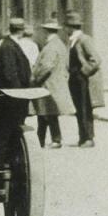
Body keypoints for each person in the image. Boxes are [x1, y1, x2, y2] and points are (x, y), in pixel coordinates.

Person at [31, 20, 75, 148]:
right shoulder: (60, 44)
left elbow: (46, 66)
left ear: (46, 31)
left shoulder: (50, 46)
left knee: (47, 113)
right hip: (55, 83)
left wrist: (36, 79)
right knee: (46, 114)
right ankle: (44, 140)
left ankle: (54, 140)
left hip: (48, 84)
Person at [66, 11, 105, 147]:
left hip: (82, 80)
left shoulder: (84, 39)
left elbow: (96, 60)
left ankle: (88, 138)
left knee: (85, 108)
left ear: (71, 27)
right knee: (79, 109)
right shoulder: (73, 41)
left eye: (67, 26)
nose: (66, 29)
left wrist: (84, 72)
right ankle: (82, 137)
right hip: (75, 79)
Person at [0, 18, 33, 131]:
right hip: (13, 95)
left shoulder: (10, 44)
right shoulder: (9, 46)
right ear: (21, 31)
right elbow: (9, 73)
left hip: (14, 94)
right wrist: (19, 93)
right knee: (10, 125)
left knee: (13, 125)